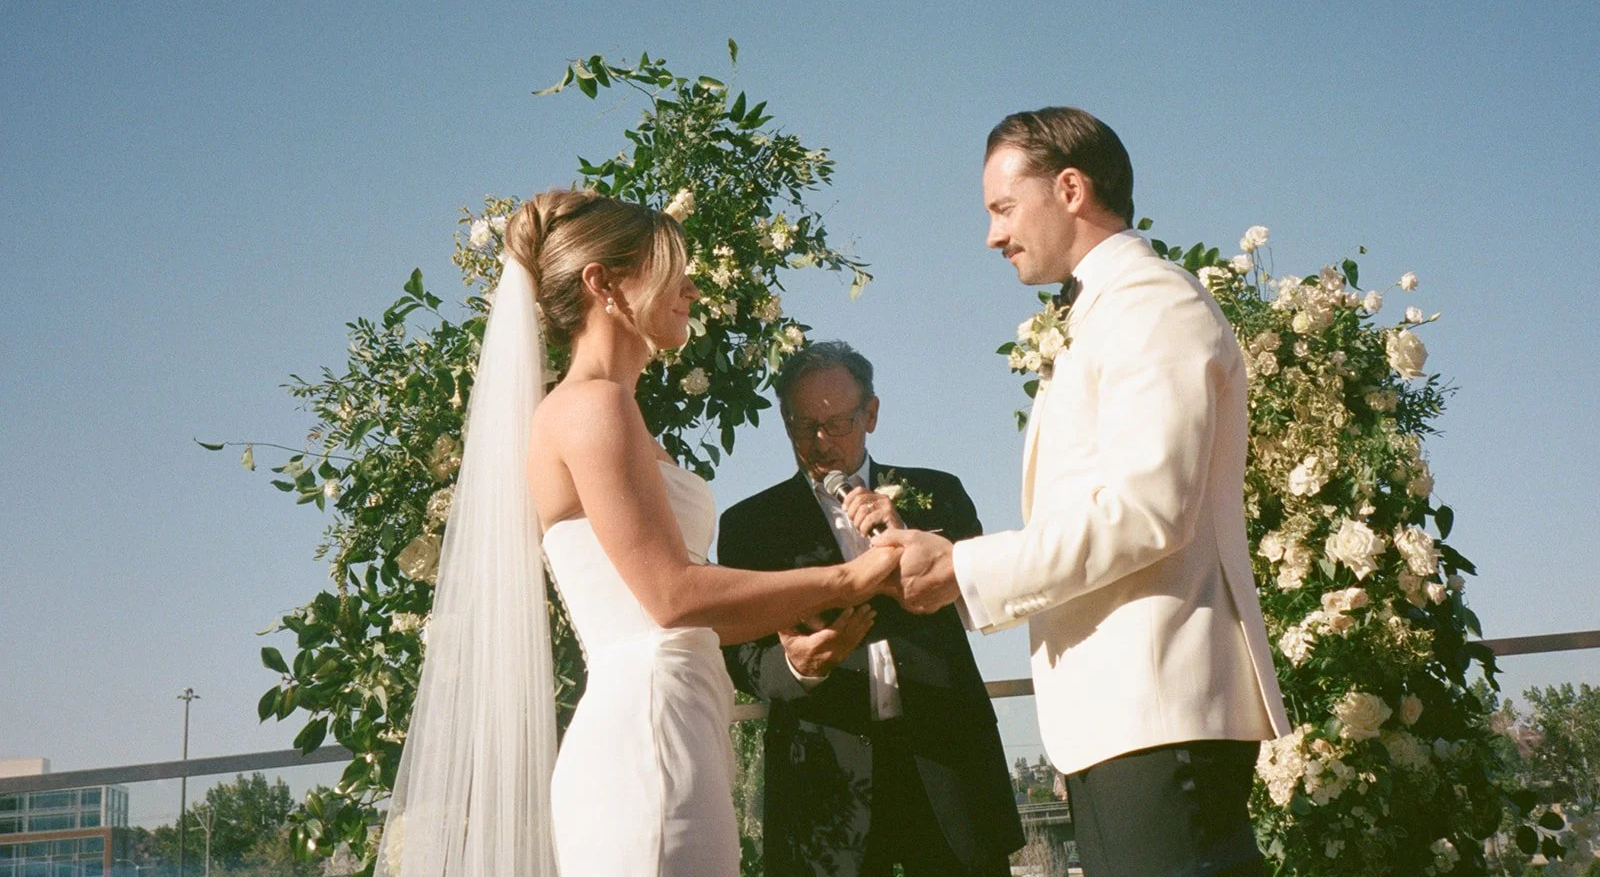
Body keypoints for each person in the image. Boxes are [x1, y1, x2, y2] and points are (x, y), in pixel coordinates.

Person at [376, 189, 900, 877]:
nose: (688, 287)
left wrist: (798, 624)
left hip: (674, 717)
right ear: (605, 284)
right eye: (669, 269)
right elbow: (672, 596)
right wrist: (850, 576)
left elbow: (670, 600)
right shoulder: (593, 407)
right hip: (649, 736)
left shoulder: (611, 410)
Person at [877, 108, 1291, 877]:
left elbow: (1146, 509)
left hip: (1162, 710)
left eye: (1002, 208)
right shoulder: (1104, 311)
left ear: (1070, 188)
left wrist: (964, 569)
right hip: (1116, 718)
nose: (992, 237)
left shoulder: (1152, 302)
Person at [718, 341, 1023, 877]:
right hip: (828, 781)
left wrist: (905, 530)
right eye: (801, 424)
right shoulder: (751, 525)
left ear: (872, 414)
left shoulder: (939, 494)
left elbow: (978, 594)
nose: (819, 443)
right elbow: (741, 652)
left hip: (948, 764)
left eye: (837, 423)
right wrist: (799, 667)